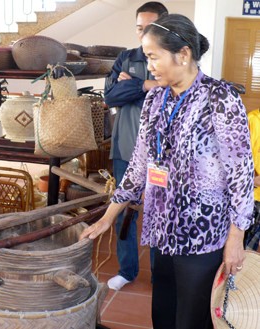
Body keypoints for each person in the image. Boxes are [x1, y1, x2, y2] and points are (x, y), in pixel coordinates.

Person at [81, 13, 254, 329]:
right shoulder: (155, 99)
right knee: (162, 313)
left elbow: (241, 174)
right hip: (161, 229)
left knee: (192, 319)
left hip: (203, 233)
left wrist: (236, 237)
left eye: (153, 57)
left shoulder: (220, 98)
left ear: (183, 54)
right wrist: (108, 216)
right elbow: (138, 166)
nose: (149, 66)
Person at [103, 1, 168, 291]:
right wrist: (145, 85)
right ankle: (127, 270)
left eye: (150, 29)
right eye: (139, 28)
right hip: (125, 150)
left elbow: (171, 94)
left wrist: (135, 85)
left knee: (158, 214)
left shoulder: (172, 58)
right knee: (125, 212)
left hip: (161, 157)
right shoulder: (126, 57)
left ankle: (160, 275)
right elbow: (111, 96)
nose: (143, 35)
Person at [245, 108, 260, 250]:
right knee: (248, 246)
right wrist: (253, 180)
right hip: (254, 196)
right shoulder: (252, 119)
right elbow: (243, 156)